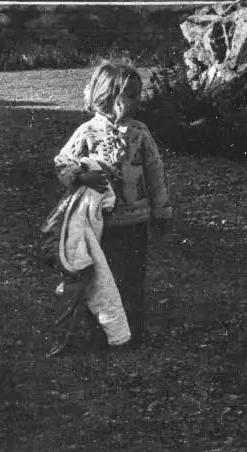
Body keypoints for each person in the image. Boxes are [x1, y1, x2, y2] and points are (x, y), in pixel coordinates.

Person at [53, 60, 171, 348]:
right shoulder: (87, 132)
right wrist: (80, 175)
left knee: (132, 277)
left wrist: (161, 209)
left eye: (137, 95)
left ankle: (132, 333)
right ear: (108, 97)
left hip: (135, 221)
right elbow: (62, 162)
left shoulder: (140, 132)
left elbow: (155, 171)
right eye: (130, 95)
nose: (137, 101)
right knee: (100, 278)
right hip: (99, 224)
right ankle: (102, 332)